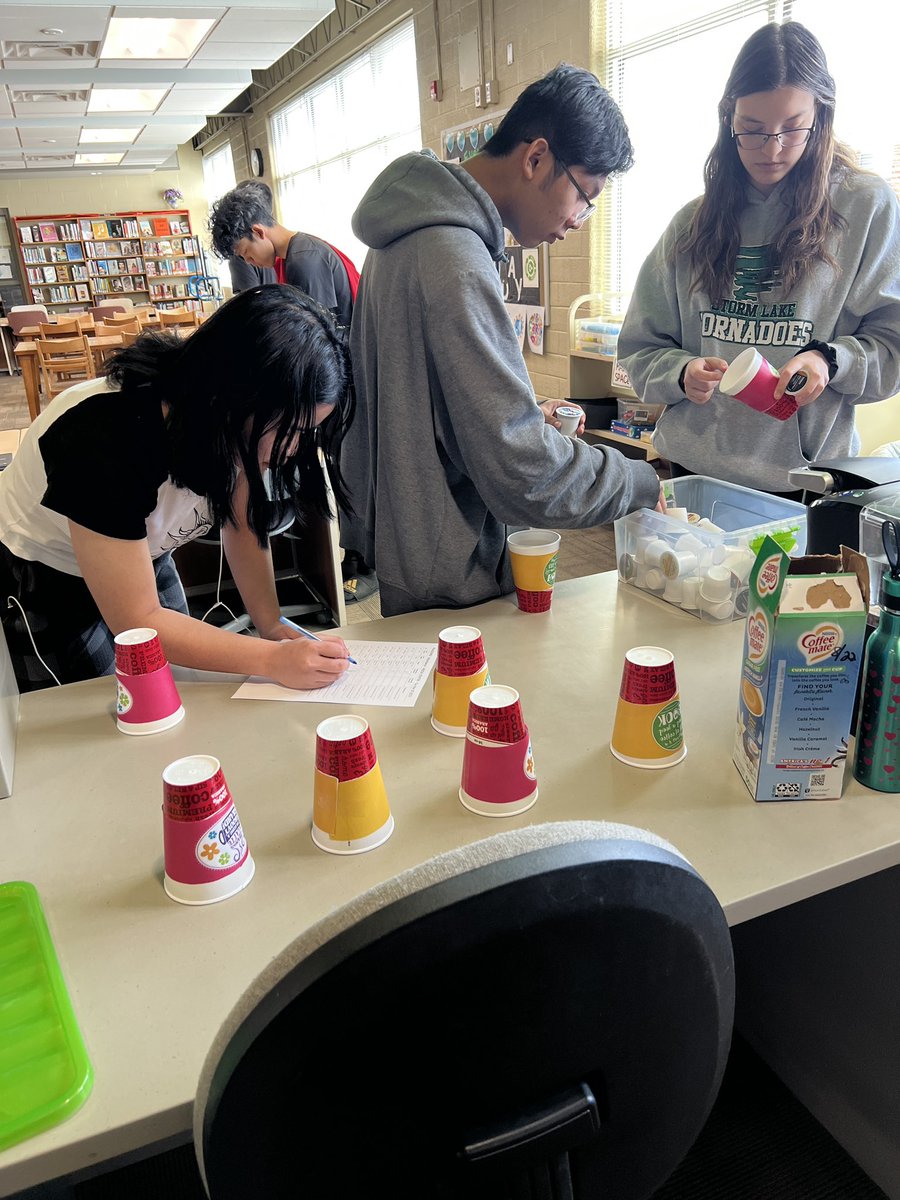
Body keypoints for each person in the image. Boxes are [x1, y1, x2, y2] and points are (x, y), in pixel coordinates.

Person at [343, 64, 664, 618]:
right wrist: (637, 479)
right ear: (536, 158)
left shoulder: (402, 234)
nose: (582, 221)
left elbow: (422, 398)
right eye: (585, 197)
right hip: (449, 560)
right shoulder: (455, 259)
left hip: (407, 532)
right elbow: (522, 473)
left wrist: (518, 410)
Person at [0, 285, 355, 693]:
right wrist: (271, 659)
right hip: (44, 568)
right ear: (233, 399)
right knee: (95, 705)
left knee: (174, 683)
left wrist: (272, 626)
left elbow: (243, 526)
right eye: (286, 432)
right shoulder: (104, 438)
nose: (291, 450)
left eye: (305, 433)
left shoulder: (228, 426)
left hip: (141, 550)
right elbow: (138, 621)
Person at [616, 21, 900, 495]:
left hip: (804, 481)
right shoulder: (691, 223)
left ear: (821, 116)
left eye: (792, 129)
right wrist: (680, 374)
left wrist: (832, 361)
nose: (773, 149)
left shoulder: (865, 207)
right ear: (728, 120)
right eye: (752, 130)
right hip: (692, 471)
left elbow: (892, 350)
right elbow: (638, 349)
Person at [209, 180, 359, 331]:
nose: (248, 262)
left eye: (246, 253)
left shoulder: (303, 260)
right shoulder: (291, 255)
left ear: (259, 232)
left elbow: (321, 336)